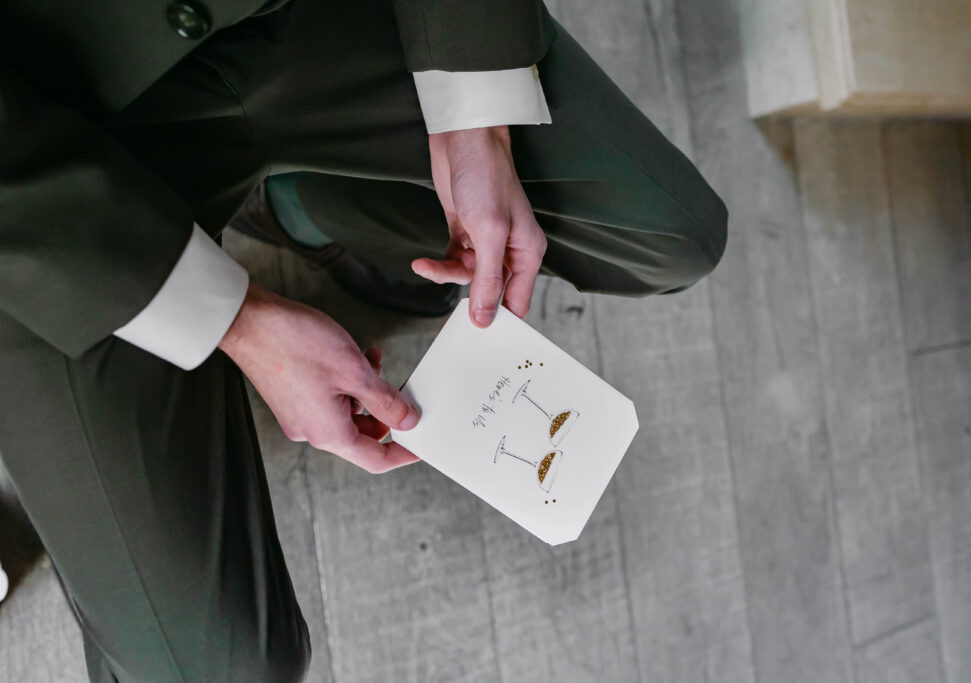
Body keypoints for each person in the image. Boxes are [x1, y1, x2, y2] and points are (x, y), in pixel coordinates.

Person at [0, 0, 727, 681]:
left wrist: (478, 123)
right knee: (215, 667)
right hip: (45, 171)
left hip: (296, 19)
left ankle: (300, 208)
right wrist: (237, 319)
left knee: (673, 237)